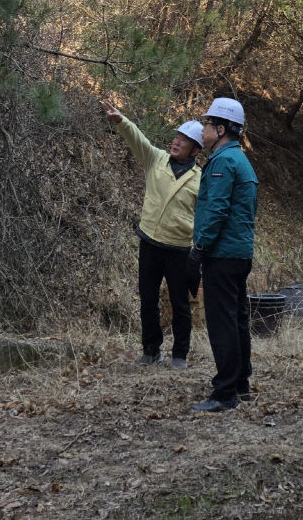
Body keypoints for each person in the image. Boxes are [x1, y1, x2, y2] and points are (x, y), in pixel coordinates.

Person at [101, 99, 203, 369]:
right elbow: (139, 141)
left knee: (181, 305)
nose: (177, 141)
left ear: (195, 150)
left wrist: (200, 249)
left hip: (180, 249)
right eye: (177, 136)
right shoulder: (156, 159)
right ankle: (150, 350)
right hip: (149, 243)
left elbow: (205, 217)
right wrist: (122, 121)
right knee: (147, 299)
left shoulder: (200, 179)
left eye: (184, 139)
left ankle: (180, 355)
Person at [188, 98, 258, 413]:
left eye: (206, 125)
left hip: (223, 253)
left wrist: (199, 248)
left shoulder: (222, 163)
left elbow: (216, 210)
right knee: (237, 318)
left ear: (220, 129)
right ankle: (240, 383)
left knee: (222, 322)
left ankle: (225, 392)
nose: (201, 130)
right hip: (238, 252)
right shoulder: (239, 160)